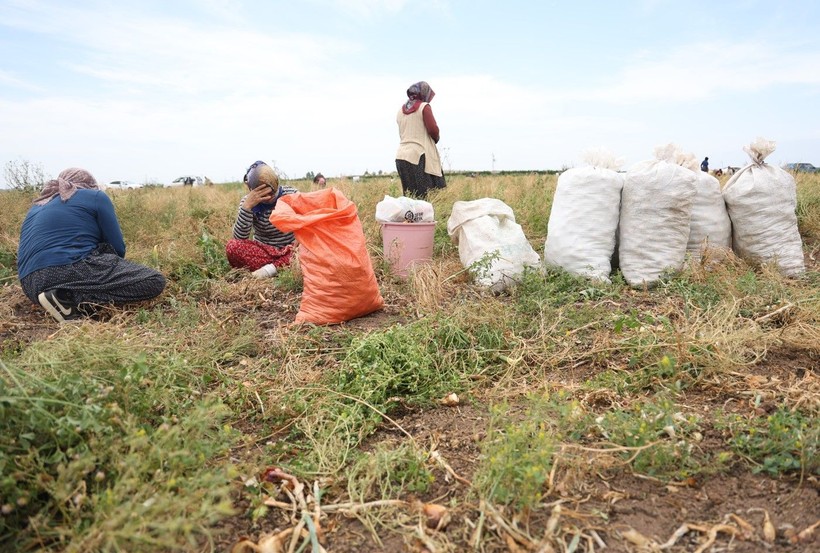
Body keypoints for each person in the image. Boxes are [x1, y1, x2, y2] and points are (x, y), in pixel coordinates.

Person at [17, 167, 166, 323]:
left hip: (30, 284)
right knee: (154, 280)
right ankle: (64, 297)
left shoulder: (36, 206)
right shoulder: (95, 196)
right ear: (89, 183)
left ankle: (56, 300)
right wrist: (112, 270)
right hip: (69, 267)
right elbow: (117, 248)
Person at [225, 161, 297, 278]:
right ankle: (282, 265)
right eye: (263, 194)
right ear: (252, 190)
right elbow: (239, 238)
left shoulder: (292, 195)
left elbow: (308, 224)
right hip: (265, 252)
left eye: (272, 193)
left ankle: (271, 269)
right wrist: (247, 207)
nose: (269, 198)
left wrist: (296, 246)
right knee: (232, 247)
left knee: (310, 245)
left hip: (292, 249)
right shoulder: (248, 202)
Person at [395, 81, 446, 197]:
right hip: (419, 156)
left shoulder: (400, 111)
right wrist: (436, 138)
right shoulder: (424, 107)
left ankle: (409, 215)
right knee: (424, 197)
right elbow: (433, 130)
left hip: (401, 156)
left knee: (410, 196)